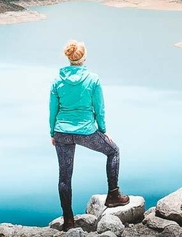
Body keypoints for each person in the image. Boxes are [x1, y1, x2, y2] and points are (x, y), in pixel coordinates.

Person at [49, 40, 130, 229]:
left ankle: (68, 219)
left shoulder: (57, 80)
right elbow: (99, 108)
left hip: (62, 132)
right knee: (113, 151)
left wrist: (53, 132)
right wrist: (102, 130)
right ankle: (113, 195)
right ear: (84, 57)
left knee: (64, 177)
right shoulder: (93, 79)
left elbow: (53, 109)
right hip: (86, 130)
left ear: (68, 57)